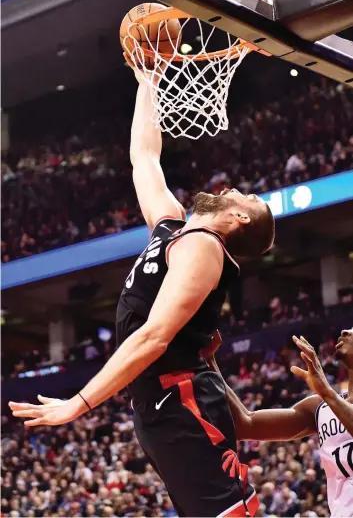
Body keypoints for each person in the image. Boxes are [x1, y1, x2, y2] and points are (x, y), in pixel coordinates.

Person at [9, 66, 275, 517]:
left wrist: (79, 404)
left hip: (182, 399)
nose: (232, 188)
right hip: (157, 404)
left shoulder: (205, 247)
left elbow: (154, 337)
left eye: (244, 197)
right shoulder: (174, 227)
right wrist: (148, 76)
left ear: (241, 220)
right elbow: (144, 157)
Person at [210, 331, 353, 517]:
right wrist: (209, 361)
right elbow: (246, 424)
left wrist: (327, 392)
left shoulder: (328, 397)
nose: (346, 331)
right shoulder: (320, 407)